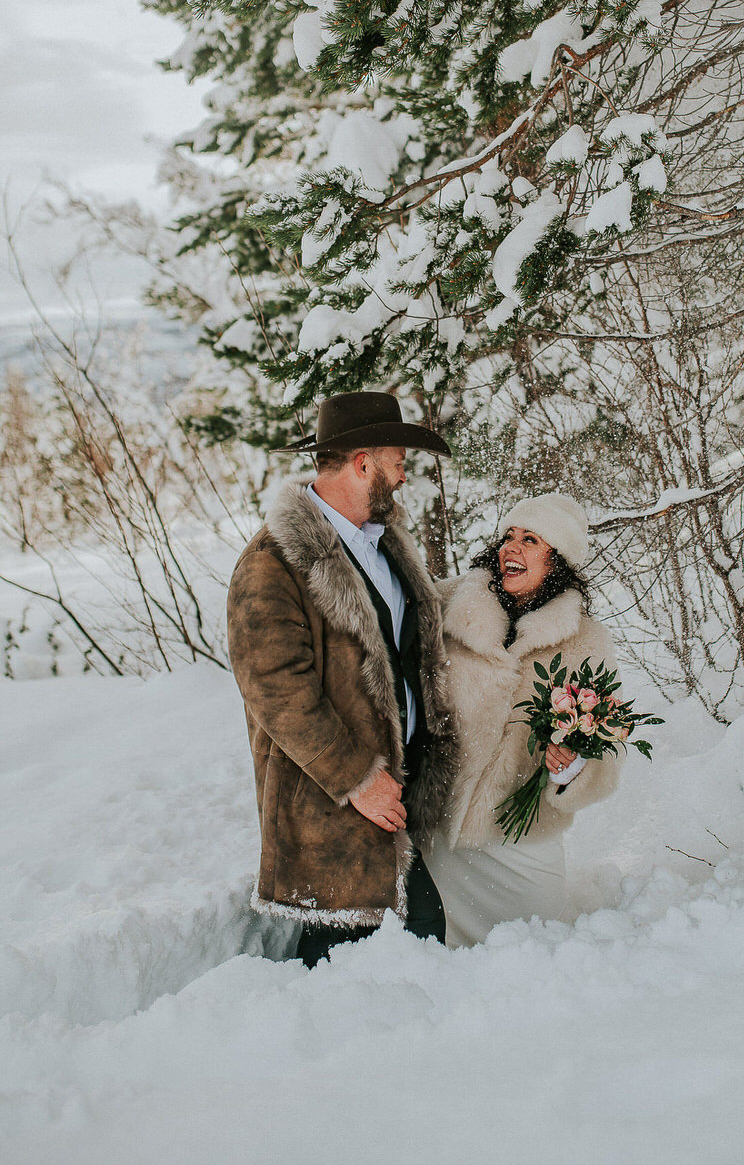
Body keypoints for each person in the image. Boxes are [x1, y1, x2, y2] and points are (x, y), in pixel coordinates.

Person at [227, 391, 458, 965]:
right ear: (363, 463)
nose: (405, 477)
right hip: (331, 808)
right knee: (346, 959)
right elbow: (276, 690)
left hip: (391, 800)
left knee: (409, 947)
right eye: (398, 461)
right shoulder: (272, 563)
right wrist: (358, 778)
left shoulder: (387, 549)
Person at [423, 493, 621, 947]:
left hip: (519, 838)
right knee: (432, 956)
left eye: (530, 539)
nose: (510, 548)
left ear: (558, 561)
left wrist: (574, 767)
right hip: (439, 829)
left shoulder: (584, 640)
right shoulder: (448, 603)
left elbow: (608, 742)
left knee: (532, 955)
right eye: (509, 536)